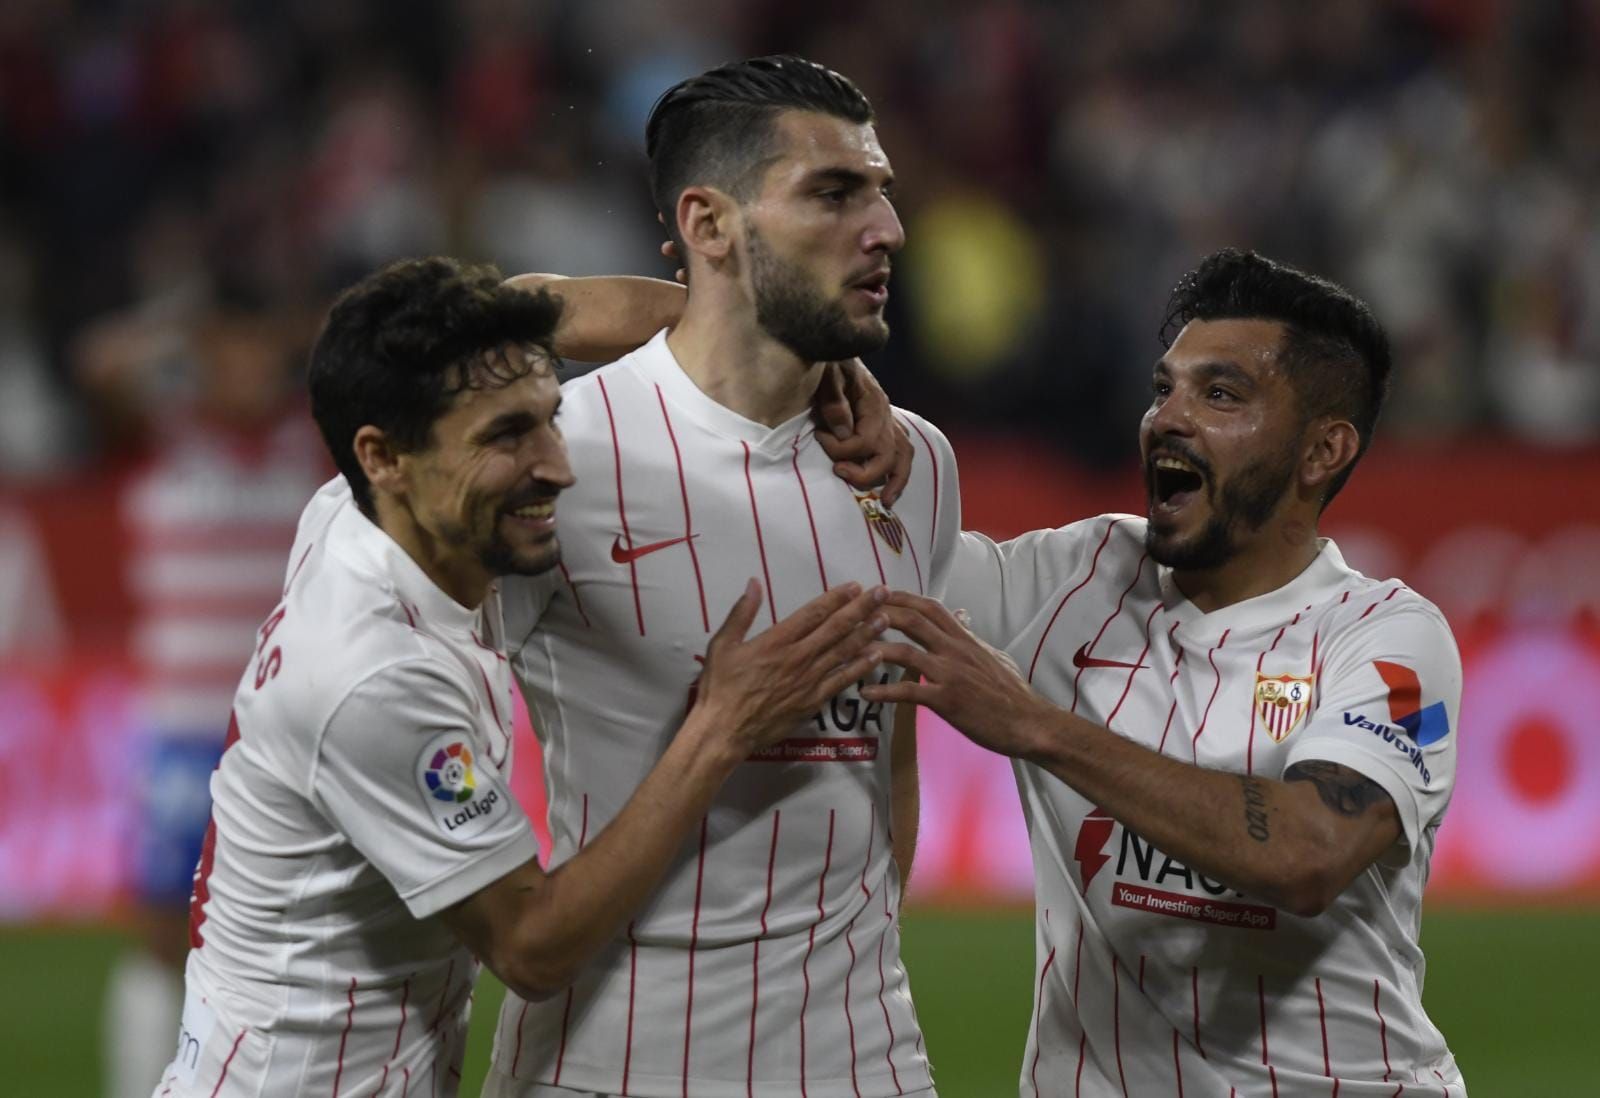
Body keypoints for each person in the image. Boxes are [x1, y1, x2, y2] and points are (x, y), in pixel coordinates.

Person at [154, 256, 899, 1096]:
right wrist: (719, 727)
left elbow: (541, 305)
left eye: (549, 418)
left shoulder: (357, 508)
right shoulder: (374, 675)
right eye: (507, 437)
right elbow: (533, 947)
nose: (558, 465)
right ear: (386, 456)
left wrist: (807, 356)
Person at [862, 250, 1468, 1096]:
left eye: (1219, 395)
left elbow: (1310, 852)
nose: (1166, 419)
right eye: (1163, 389)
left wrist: (1033, 725)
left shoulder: (1389, 638)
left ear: (1322, 451)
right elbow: (855, 562)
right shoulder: (1072, 578)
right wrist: (828, 383)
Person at [486, 56, 963, 1097]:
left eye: (881, 192)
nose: (884, 229)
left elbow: (890, 756)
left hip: (866, 1063)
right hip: (608, 1064)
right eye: (833, 194)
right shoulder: (553, 459)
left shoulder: (909, 461)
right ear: (708, 226)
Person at [75, 280, 327, 1098]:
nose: (250, 367)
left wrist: (296, 335)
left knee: (297, 938)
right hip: (186, 733)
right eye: (232, 348)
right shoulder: (159, 437)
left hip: (288, 733)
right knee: (161, 936)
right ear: (204, 354)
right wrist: (184, 331)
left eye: (262, 349)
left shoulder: (312, 440)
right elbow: (97, 364)